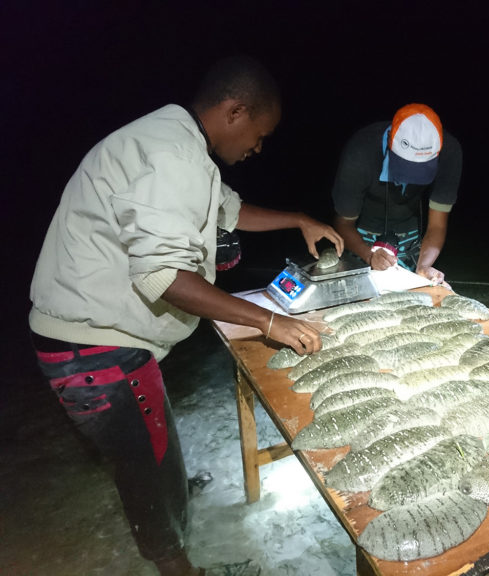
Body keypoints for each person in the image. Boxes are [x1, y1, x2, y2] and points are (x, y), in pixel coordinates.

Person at [27, 55, 342, 576]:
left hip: (101, 337)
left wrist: (300, 219)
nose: (257, 148)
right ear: (235, 111)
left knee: (154, 449)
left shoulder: (179, 142)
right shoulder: (173, 154)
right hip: (92, 347)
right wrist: (269, 322)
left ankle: (169, 490)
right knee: (146, 469)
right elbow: (163, 277)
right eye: (259, 135)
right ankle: (180, 566)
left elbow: (230, 210)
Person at [331, 103, 462, 286]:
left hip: (409, 228)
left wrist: (424, 266)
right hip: (360, 231)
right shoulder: (360, 152)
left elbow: (437, 226)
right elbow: (343, 223)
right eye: (406, 167)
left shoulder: (450, 153)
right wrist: (369, 255)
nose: (410, 179)